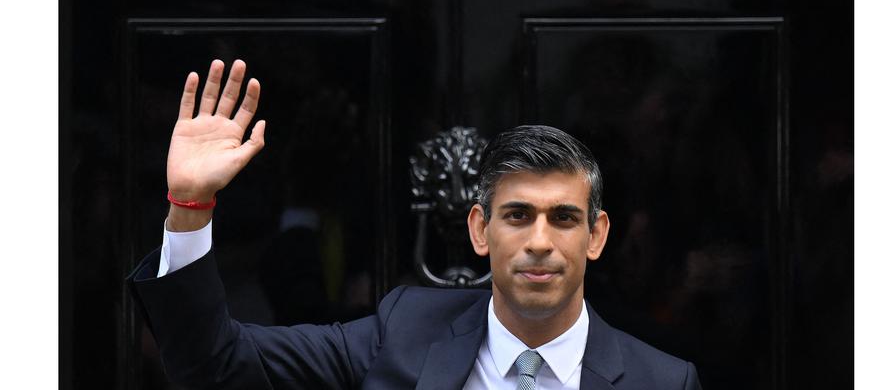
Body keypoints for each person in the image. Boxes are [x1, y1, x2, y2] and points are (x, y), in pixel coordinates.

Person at [129, 59, 702, 389]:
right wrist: (189, 206)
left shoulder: (663, 381)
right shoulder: (402, 334)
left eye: (564, 218)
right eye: (517, 216)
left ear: (597, 235)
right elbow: (214, 366)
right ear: (480, 230)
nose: (539, 242)